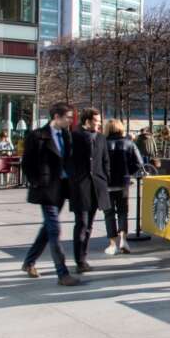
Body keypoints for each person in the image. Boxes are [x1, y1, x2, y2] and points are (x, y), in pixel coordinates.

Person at [22, 103, 79, 286]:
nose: (70, 120)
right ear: (56, 116)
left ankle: (29, 262)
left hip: (62, 188)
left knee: (47, 229)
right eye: (68, 117)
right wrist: (37, 181)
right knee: (54, 230)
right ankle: (62, 274)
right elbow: (27, 163)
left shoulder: (66, 135)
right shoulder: (37, 136)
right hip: (46, 189)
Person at [69, 108, 111, 273]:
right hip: (81, 186)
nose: (99, 124)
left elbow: (105, 160)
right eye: (96, 121)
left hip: (97, 187)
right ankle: (79, 260)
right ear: (86, 121)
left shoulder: (101, 138)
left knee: (89, 225)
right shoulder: (75, 136)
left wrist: (104, 180)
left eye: (100, 121)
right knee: (82, 223)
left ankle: (83, 257)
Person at [103, 119, 143, 255]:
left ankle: (112, 243)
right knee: (123, 212)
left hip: (106, 184)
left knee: (108, 214)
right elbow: (139, 163)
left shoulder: (102, 143)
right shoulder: (129, 143)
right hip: (123, 183)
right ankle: (123, 240)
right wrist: (128, 172)